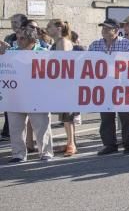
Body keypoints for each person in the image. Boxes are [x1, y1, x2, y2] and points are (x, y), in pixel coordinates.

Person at [2, 20, 54, 163]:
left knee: (41, 125)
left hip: (38, 96)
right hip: (15, 96)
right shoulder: (10, 53)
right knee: (16, 127)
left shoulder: (44, 53)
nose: (18, 40)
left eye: (22, 38)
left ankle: (46, 152)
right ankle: (18, 154)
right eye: (17, 37)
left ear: (31, 39)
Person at [89, 18, 129, 155]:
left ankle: (128, 145)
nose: (104, 31)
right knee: (106, 117)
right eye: (103, 28)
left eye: (107, 28)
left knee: (125, 117)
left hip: (122, 85)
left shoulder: (126, 44)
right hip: (103, 86)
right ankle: (109, 144)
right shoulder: (95, 45)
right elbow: (88, 63)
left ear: (116, 30)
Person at [46, 18, 79, 156]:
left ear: (58, 28)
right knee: (65, 115)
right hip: (63, 83)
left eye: (49, 26)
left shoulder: (63, 42)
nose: (47, 28)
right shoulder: (57, 42)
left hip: (67, 84)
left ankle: (71, 144)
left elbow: (64, 64)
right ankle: (70, 143)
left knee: (68, 116)